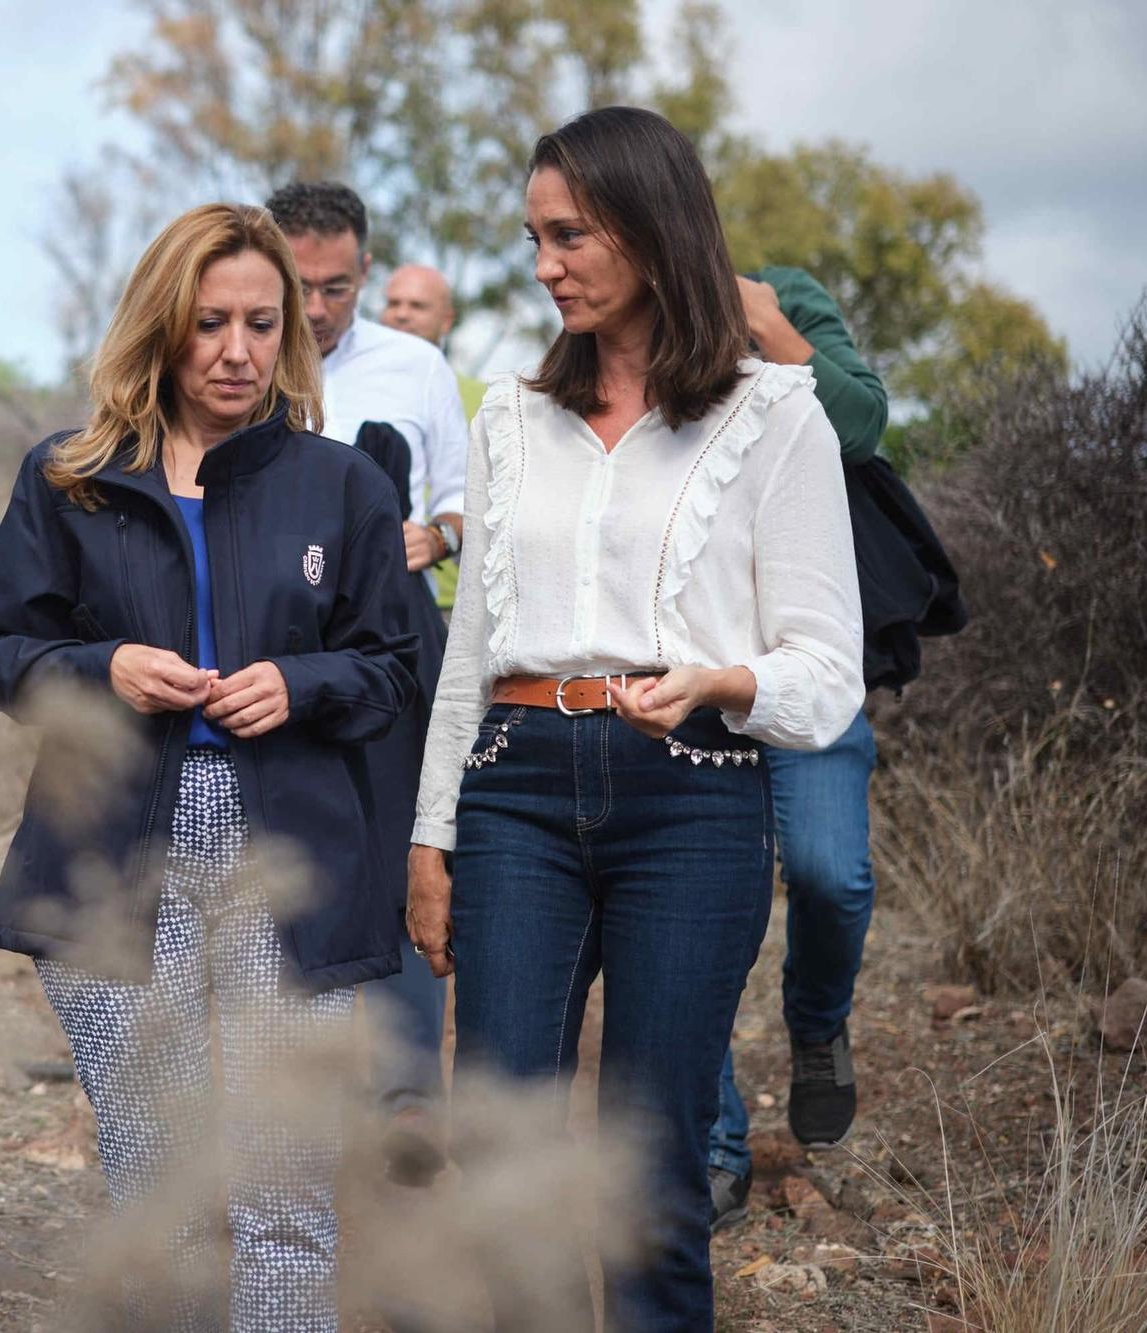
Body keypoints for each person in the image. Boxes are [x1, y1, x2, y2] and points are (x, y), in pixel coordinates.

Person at [407, 106, 863, 1329]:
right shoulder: (509, 419)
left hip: (693, 797)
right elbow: (469, 652)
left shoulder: (776, 417)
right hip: (512, 785)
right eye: (533, 238)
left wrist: (719, 681)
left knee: (653, 1170)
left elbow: (826, 669)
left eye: (569, 236)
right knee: (500, 1149)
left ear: (653, 231)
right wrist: (428, 835)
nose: (543, 263)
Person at [0, 202, 418, 1331]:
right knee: (160, 1197)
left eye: (262, 324)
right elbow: (7, 658)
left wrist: (299, 682)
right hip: (117, 853)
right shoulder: (70, 477)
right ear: (160, 326)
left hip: (293, 860)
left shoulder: (342, 484)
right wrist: (102, 666)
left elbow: (393, 668)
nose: (236, 350)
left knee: (282, 1197)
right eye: (209, 321)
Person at [265, 181, 466, 1182]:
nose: (316, 310)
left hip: (394, 639)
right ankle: (283, 1101)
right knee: (278, 859)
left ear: (363, 274)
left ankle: (403, 1107)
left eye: (337, 287)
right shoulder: (231, 360)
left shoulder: (414, 368)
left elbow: (471, 500)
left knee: (399, 853)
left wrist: (438, 531)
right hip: (267, 652)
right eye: (297, 287)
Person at [706, 266, 889, 1230]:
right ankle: (715, 1143)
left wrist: (771, 325)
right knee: (695, 917)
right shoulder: (613, 321)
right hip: (688, 676)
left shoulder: (785, 295)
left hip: (801, 659)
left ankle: (817, 1026)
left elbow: (862, 425)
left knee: (829, 873)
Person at [380, 262, 487, 615]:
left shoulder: (485, 401)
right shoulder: (359, 396)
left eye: (417, 306)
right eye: (393, 304)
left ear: (447, 320)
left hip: (455, 607)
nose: (402, 315)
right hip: (384, 599)